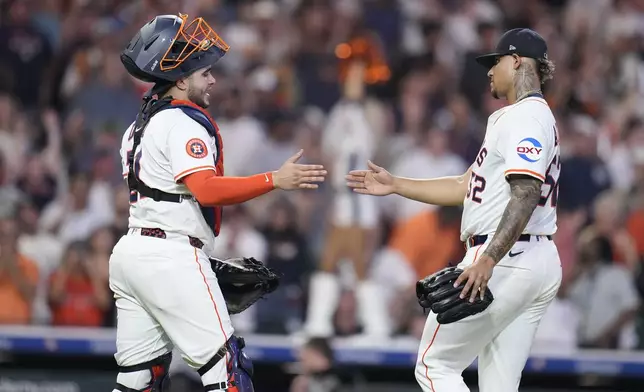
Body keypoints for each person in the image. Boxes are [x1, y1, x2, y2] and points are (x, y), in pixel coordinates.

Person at [110, 13, 326, 392]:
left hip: (132, 254)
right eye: (203, 72)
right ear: (179, 79)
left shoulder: (137, 126)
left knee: (136, 381)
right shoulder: (182, 122)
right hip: (170, 255)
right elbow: (206, 190)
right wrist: (275, 179)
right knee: (228, 370)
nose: (212, 79)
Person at [346, 28, 562, 392]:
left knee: (434, 365)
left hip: (505, 256)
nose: (490, 71)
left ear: (517, 61)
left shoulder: (525, 117)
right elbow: (466, 186)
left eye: (495, 62)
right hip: (531, 257)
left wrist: (489, 259)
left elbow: (526, 192)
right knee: (498, 387)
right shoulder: (515, 117)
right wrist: (398, 184)